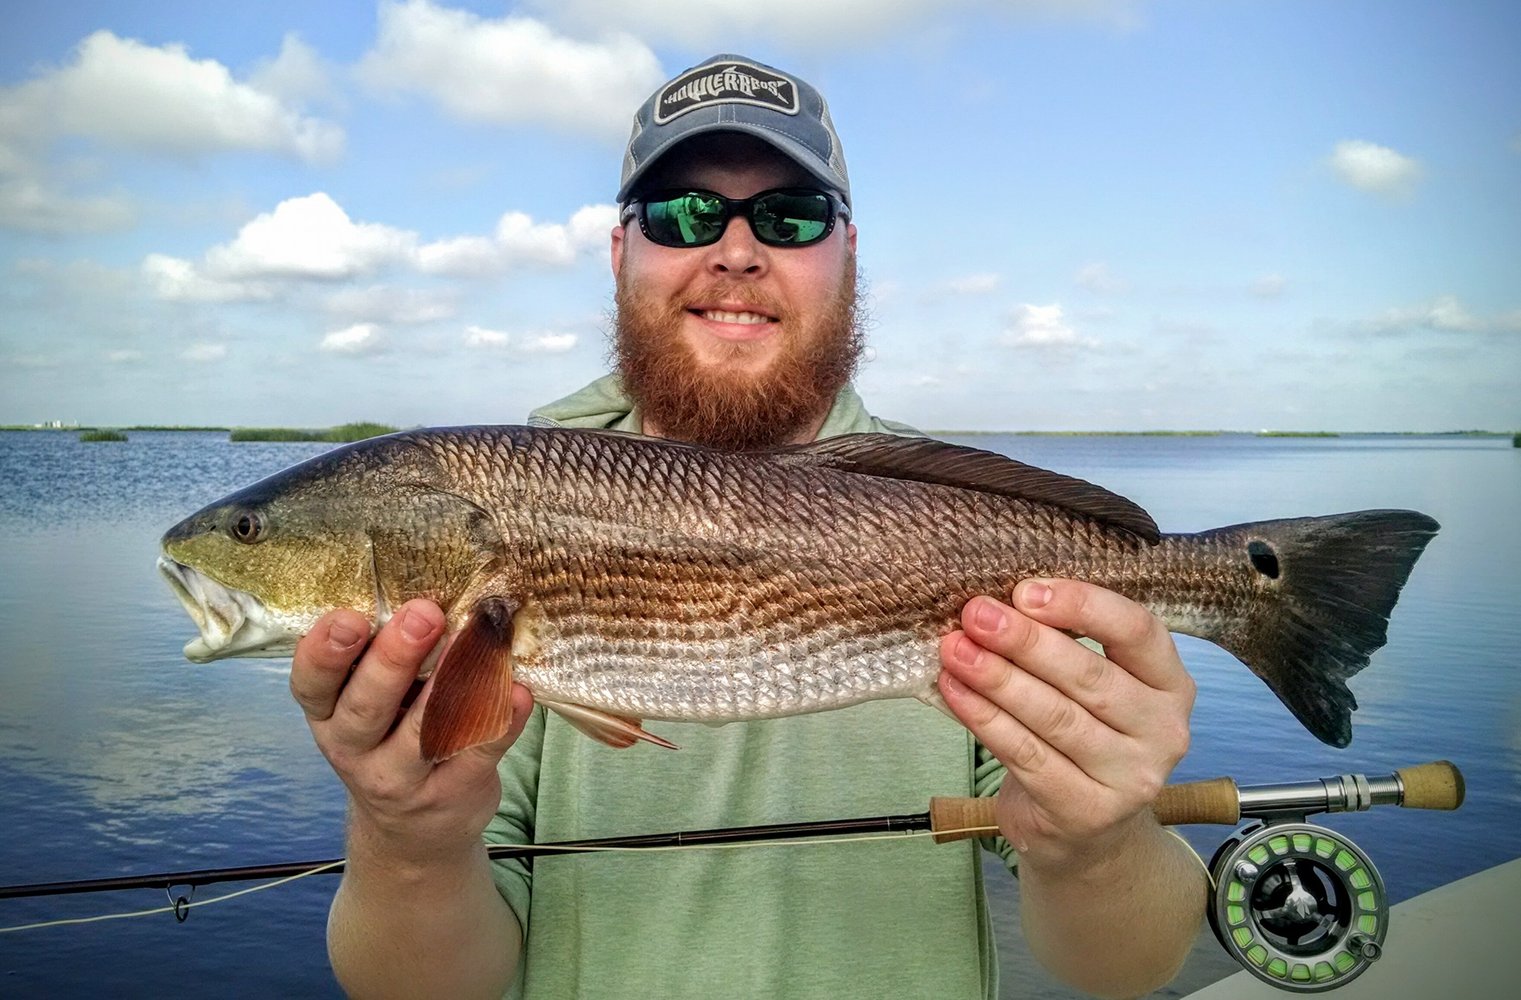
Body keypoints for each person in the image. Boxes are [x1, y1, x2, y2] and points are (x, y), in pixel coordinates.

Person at [289, 54, 1204, 999]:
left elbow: (1125, 970)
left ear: (846, 251)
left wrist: (1097, 844)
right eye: (683, 212)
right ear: (619, 252)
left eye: (789, 216)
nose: (734, 250)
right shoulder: (504, 511)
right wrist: (406, 842)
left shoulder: (964, 524)